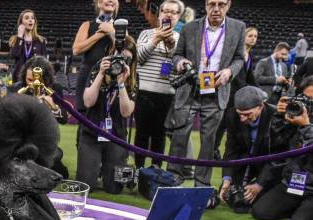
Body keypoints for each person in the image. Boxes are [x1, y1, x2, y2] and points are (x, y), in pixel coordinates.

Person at [167, 0, 246, 192]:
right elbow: (177, 55)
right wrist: (181, 62)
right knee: (179, 137)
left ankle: (201, 186)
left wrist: (229, 72)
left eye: (221, 4)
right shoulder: (190, 27)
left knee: (208, 143)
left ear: (229, 5)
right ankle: (172, 179)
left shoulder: (238, 27)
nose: (216, 9)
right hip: (189, 89)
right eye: (212, 4)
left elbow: (239, 58)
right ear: (205, 5)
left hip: (217, 91)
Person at [252, 76, 313, 220]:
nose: (308, 104)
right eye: (306, 99)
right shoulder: (297, 115)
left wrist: (306, 126)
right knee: (260, 211)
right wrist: (280, 116)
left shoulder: (303, 122)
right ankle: (302, 208)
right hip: (295, 182)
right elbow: (276, 145)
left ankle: (304, 211)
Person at [76, 35, 137, 194]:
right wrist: (101, 74)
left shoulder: (133, 78)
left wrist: (121, 84)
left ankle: (106, 171)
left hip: (116, 135)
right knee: (85, 186)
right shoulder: (98, 68)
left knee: (114, 188)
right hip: (92, 132)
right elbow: (88, 102)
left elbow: (126, 112)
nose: (121, 63)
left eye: (127, 60)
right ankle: (94, 169)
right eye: (119, 58)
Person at [219, 86, 292, 210]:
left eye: (247, 114)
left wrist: (259, 184)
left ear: (261, 106)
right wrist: (227, 179)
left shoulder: (277, 117)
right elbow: (231, 149)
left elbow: (278, 157)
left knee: (259, 204)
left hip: (271, 165)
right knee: (234, 199)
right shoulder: (232, 114)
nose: (242, 119)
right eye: (240, 114)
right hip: (246, 161)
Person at [134, 0, 183, 169]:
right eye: (165, 10)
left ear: (179, 17)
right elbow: (139, 57)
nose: (168, 14)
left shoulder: (182, 39)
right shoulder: (146, 34)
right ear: (160, 13)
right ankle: (139, 170)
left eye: (173, 12)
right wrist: (156, 39)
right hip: (144, 92)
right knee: (141, 134)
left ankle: (155, 171)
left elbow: (182, 69)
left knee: (159, 136)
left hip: (168, 94)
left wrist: (173, 47)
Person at [9, 56, 69, 178]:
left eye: (36, 80)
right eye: (29, 79)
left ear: (45, 79)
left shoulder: (55, 89)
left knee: (62, 174)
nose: (31, 83)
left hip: (45, 142)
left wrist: (53, 106)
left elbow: (64, 119)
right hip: (20, 142)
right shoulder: (16, 89)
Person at [214, 26, 259, 159]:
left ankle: (230, 154)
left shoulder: (249, 55)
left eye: (255, 36)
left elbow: (250, 77)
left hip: (239, 98)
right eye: (250, 36)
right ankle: (213, 150)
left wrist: (259, 93)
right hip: (227, 95)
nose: (253, 39)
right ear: (242, 37)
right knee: (221, 126)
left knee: (233, 128)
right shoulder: (234, 53)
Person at [72, 0, 118, 112]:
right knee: (84, 117)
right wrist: (99, 34)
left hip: (110, 77)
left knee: (107, 114)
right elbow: (76, 50)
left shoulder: (120, 27)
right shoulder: (87, 25)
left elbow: (126, 52)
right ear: (99, 3)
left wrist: (111, 32)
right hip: (87, 75)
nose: (111, 1)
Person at [8, 9, 47, 83]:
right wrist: (20, 37)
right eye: (27, 18)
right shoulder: (14, 39)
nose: (30, 20)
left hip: (35, 78)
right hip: (18, 77)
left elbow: (44, 62)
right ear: (21, 22)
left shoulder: (41, 40)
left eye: (32, 18)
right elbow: (14, 55)